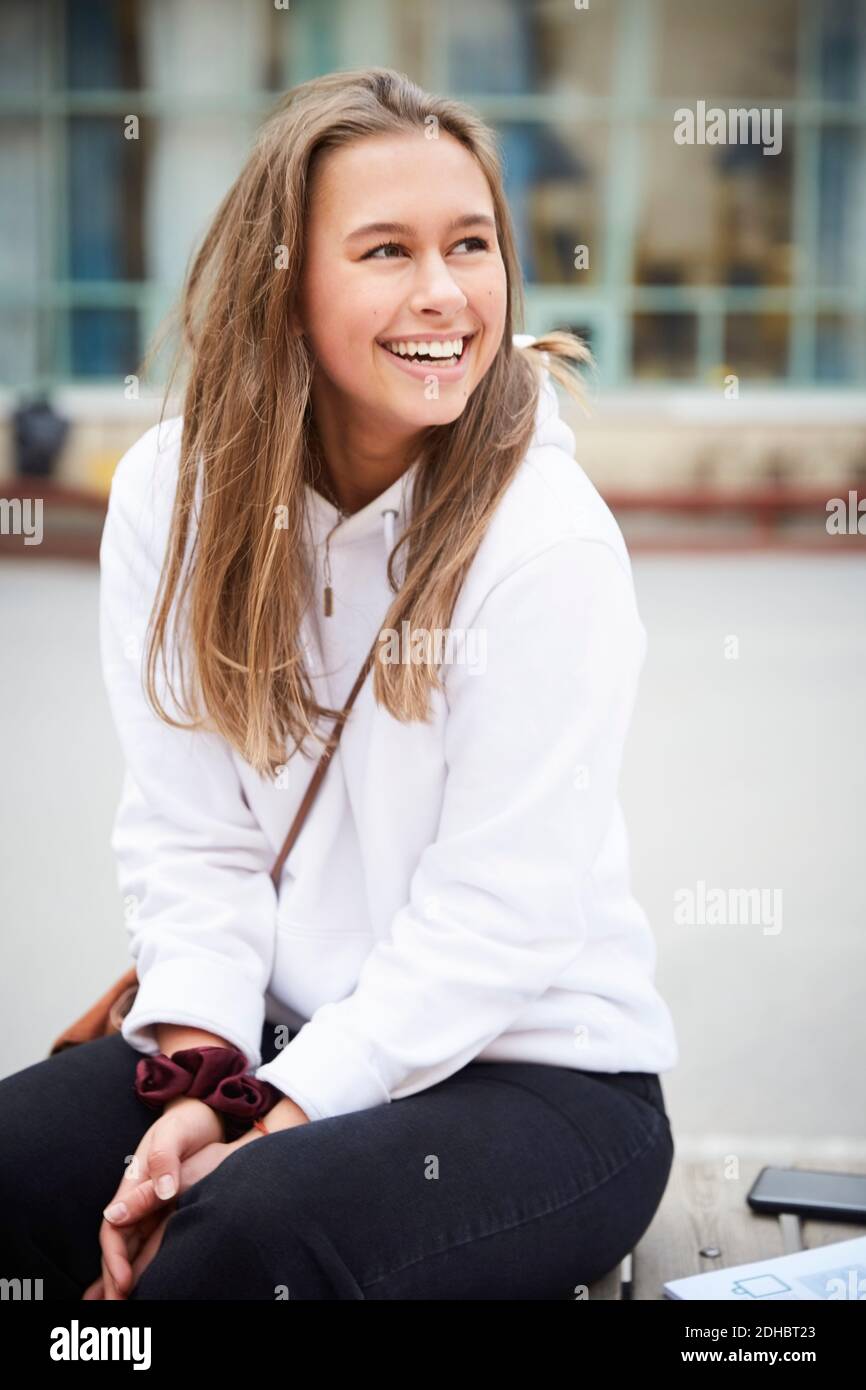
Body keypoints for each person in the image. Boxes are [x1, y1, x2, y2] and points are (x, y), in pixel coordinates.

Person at [0, 67, 677, 1301]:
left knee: (243, 1245)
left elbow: (497, 919)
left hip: (541, 1079)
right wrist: (202, 1085)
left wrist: (270, 1121)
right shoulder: (173, 497)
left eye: (469, 244)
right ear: (284, 281)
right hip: (266, 1033)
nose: (442, 292)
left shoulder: (544, 539)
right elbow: (189, 838)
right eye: (384, 249)